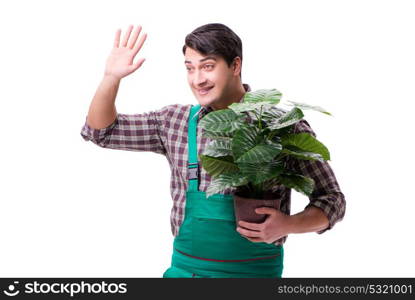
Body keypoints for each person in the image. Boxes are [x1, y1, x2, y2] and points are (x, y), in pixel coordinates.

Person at [80, 23, 346, 278]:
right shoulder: (175, 122)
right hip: (187, 274)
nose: (198, 80)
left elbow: (332, 200)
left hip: (255, 277)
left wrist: (288, 224)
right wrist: (111, 77)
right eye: (190, 68)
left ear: (236, 65)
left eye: (208, 67)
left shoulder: (279, 126)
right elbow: (103, 131)